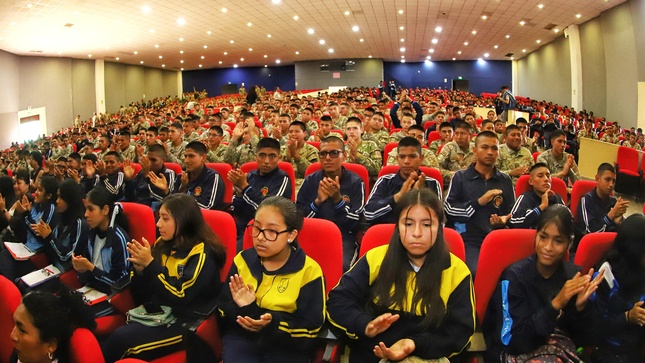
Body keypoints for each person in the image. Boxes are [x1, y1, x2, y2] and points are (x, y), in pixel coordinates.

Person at [327, 189, 475, 362]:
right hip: (372, 355)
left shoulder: (457, 271)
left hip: (427, 357)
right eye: (408, 224)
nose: (417, 233)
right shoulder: (375, 259)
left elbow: (460, 333)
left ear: (440, 228)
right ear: (397, 227)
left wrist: (413, 344)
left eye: (427, 225)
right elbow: (337, 302)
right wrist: (364, 324)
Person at [102, 194, 226, 362]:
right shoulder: (163, 243)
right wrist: (140, 272)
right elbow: (143, 293)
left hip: (187, 323)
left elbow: (181, 294)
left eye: (165, 219)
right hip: (158, 313)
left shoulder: (203, 253)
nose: (158, 224)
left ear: (184, 220)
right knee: (114, 338)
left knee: (121, 341)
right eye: (158, 217)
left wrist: (151, 266)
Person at [484, 205, 603, 362]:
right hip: (515, 350)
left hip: (558, 349)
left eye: (558, 241)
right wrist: (554, 306)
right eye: (543, 237)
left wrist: (581, 310)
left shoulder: (573, 276)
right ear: (536, 236)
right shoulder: (514, 277)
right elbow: (511, 342)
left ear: (569, 244)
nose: (548, 247)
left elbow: (584, 339)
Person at [218, 196, 326, 362]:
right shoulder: (243, 261)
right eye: (256, 228)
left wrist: (273, 323)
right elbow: (224, 307)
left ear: (291, 235)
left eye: (272, 231)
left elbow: (311, 329)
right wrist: (247, 311)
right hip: (242, 340)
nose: (260, 237)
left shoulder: (309, 271)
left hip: (287, 347)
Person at [444, 131, 515, 274]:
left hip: (497, 237)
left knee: (512, 273)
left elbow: (512, 211)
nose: (490, 152)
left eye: (494, 148)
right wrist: (478, 202)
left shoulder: (505, 180)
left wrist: (503, 221)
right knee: (477, 271)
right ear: (474, 151)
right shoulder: (461, 177)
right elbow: (449, 210)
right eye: (485, 147)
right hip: (469, 238)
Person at [297, 136, 366, 271]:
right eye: (323, 154)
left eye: (334, 153)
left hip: (343, 236)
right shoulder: (310, 180)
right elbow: (298, 217)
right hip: (313, 234)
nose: (328, 158)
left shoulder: (356, 182)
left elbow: (357, 221)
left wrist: (337, 200)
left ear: (344, 156)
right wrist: (317, 203)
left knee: (341, 267)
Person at [591, 214, 645, 363]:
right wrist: (627, 317)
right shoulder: (605, 274)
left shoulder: (641, 268)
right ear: (634, 249)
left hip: (635, 346)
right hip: (608, 348)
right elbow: (594, 327)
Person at [229, 138, 293, 246]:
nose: (266, 161)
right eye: (262, 155)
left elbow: (269, 210)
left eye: (272, 156)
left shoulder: (282, 179)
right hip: (241, 228)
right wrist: (239, 194)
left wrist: (245, 187)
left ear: (279, 158)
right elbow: (238, 212)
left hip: (265, 232)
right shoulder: (250, 176)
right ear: (256, 157)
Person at [365, 137, 442, 225]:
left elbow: (438, 221)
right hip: (388, 233)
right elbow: (368, 214)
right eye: (402, 157)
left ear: (421, 159)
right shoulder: (385, 181)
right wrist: (398, 197)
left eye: (412, 156)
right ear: (397, 158)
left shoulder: (433, 184)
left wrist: (416, 196)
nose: (406, 161)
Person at [9, 288, 96, 363]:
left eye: (22, 330)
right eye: (15, 324)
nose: (12, 336)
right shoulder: (21, 355)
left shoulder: (25, 353)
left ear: (50, 345)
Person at [0, 176, 59, 282]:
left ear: (49, 195)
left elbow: (39, 233)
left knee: (5, 257)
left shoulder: (51, 210)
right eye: (37, 189)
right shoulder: (36, 205)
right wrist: (23, 214)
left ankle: (10, 288)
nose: (35, 192)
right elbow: (27, 225)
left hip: (37, 253)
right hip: (25, 247)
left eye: (40, 190)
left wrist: (26, 215)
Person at [72, 187, 130, 296]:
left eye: (91, 209)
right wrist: (82, 269)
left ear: (105, 210)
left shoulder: (119, 239)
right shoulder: (91, 233)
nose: (86, 214)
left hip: (111, 297)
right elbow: (87, 276)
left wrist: (91, 268)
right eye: (85, 209)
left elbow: (120, 283)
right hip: (92, 290)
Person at [576, 163, 628, 241]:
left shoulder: (614, 202)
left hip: (609, 246)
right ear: (597, 179)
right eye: (607, 179)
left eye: (613, 181)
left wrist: (618, 223)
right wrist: (611, 215)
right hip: (590, 247)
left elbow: (619, 236)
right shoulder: (586, 200)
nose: (611, 185)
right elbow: (590, 232)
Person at [509, 163, 564, 229]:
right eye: (540, 176)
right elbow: (513, 223)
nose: (546, 179)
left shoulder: (557, 198)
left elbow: (568, 223)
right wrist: (541, 207)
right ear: (531, 181)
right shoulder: (525, 198)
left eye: (548, 176)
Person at [174, 141, 225, 210]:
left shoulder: (212, 177)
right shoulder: (182, 177)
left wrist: (182, 201)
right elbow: (170, 202)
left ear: (203, 158)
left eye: (191, 156)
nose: (186, 160)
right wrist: (183, 187)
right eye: (185, 156)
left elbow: (208, 207)